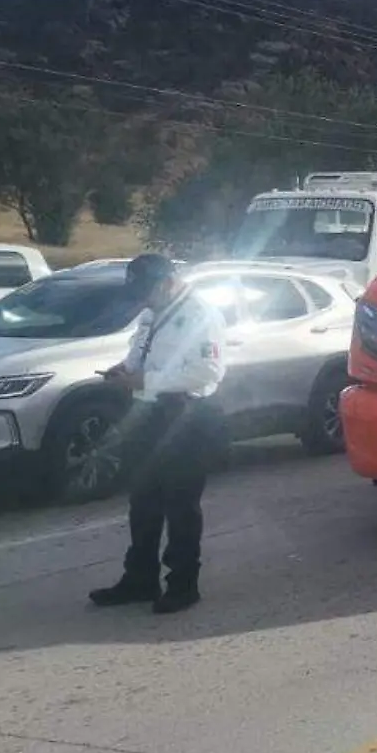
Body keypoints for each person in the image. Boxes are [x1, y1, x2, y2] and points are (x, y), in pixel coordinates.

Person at [88, 254, 229, 615]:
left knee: (180, 504)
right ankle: (140, 578)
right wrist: (125, 370)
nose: (142, 299)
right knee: (143, 500)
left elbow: (207, 372)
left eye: (147, 289)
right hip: (149, 414)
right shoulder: (151, 313)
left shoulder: (201, 315)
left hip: (187, 416)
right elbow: (142, 353)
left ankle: (183, 584)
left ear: (168, 282)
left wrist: (147, 380)